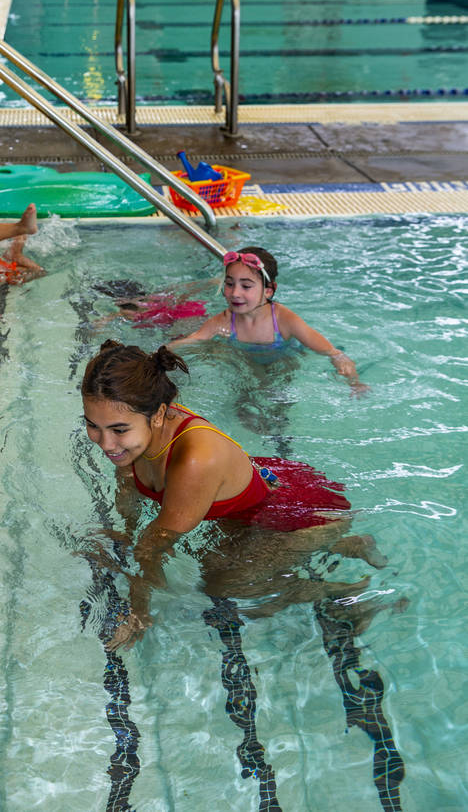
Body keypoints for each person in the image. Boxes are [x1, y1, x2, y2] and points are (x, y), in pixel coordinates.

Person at [81, 341, 386, 649]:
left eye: (118, 430)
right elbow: (129, 493)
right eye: (93, 426)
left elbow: (151, 549)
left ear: (158, 414)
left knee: (227, 586)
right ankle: (349, 545)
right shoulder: (134, 436)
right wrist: (124, 533)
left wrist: (139, 612)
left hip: (299, 513)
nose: (106, 443)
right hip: (255, 497)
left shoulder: (195, 460)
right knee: (212, 560)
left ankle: (350, 595)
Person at [170, 247, 368, 392]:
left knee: (277, 396)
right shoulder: (223, 321)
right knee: (244, 394)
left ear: (268, 291)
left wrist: (354, 382)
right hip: (246, 363)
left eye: (246, 286)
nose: (235, 293)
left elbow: (332, 352)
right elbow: (192, 341)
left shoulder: (284, 320)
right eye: (229, 284)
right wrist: (159, 353)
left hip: (283, 360)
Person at [92, 278, 208, 329]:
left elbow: (105, 321)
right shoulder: (157, 296)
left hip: (184, 322)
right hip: (195, 310)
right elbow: (185, 289)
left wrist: (104, 320)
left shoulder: (128, 312)